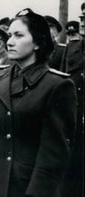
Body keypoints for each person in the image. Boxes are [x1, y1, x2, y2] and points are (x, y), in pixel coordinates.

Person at [0, 8, 77, 197]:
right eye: (9, 35)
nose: (10, 41)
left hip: (20, 187)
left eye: (19, 35)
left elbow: (53, 154)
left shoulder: (56, 86)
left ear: (38, 43)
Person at [58, 19, 84, 197]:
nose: (83, 22)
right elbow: (62, 85)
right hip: (75, 125)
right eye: (82, 17)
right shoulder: (71, 49)